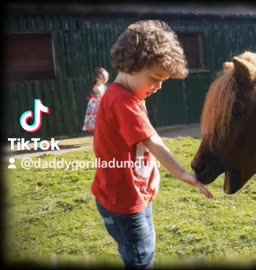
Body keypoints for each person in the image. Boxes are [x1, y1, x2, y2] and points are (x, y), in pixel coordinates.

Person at [92, 20, 213, 269]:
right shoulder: (122, 102)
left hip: (134, 196)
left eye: (163, 81)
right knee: (141, 258)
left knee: (144, 250)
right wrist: (181, 173)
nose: (159, 87)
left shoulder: (132, 95)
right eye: (155, 78)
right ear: (131, 66)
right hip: (123, 203)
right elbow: (153, 140)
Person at [82, 67, 109, 133]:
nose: (105, 79)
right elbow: (100, 97)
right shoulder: (96, 87)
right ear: (97, 78)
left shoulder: (104, 87)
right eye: (103, 77)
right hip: (96, 105)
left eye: (106, 77)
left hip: (101, 103)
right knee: (96, 120)